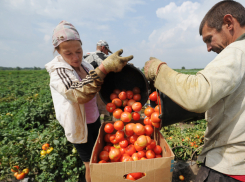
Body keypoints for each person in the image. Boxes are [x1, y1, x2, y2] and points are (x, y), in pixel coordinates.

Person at [144, 1, 245, 181]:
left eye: (209, 38)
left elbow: (197, 95)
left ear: (229, 23)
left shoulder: (236, 51)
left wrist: (158, 70)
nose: (207, 48)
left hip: (227, 168)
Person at [45, 20, 133, 182]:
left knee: (99, 157)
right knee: (90, 165)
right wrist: (104, 68)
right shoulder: (58, 71)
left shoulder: (85, 65)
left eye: (78, 51)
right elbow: (77, 92)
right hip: (79, 126)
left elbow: (98, 83)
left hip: (93, 120)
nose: (76, 57)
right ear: (58, 51)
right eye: (68, 53)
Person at [84, 40, 113, 121]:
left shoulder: (85, 57)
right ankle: (107, 129)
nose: (107, 53)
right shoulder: (102, 57)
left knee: (93, 114)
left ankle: (98, 130)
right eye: (107, 51)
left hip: (86, 90)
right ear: (103, 48)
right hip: (101, 90)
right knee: (108, 112)